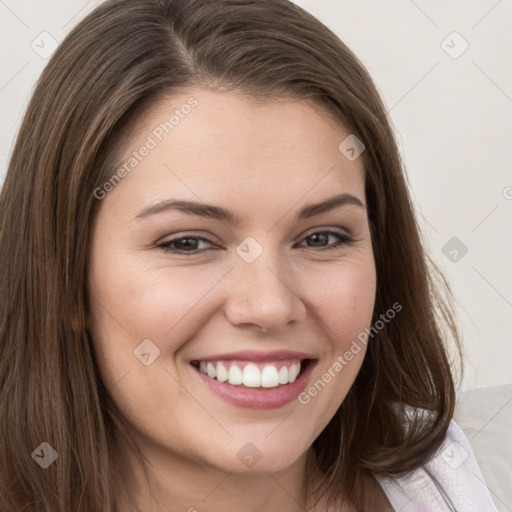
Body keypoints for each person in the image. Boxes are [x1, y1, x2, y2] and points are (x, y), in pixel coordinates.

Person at [0, 0, 498, 510]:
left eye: (322, 238)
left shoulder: (485, 470)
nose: (269, 306)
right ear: (62, 277)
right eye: (188, 243)